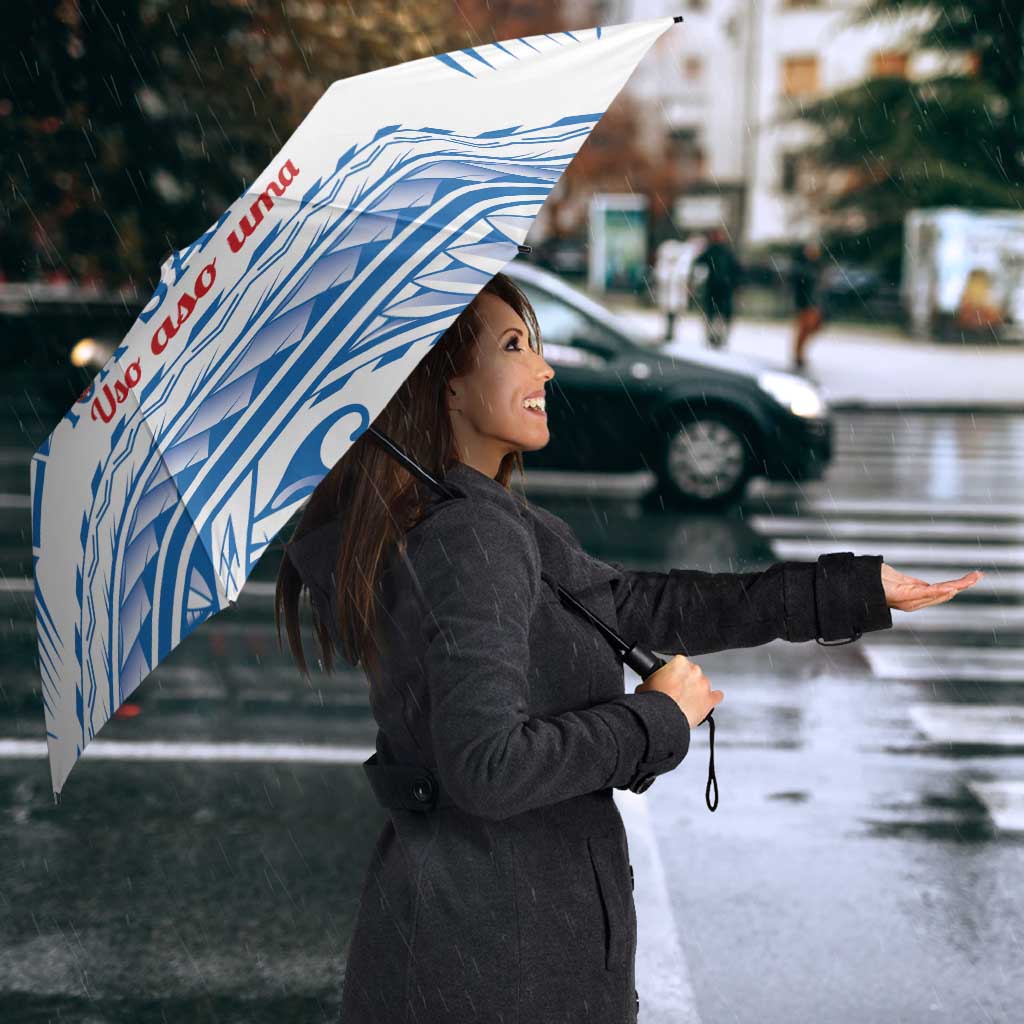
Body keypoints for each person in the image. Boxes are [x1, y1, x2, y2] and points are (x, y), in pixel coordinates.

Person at [275, 271, 979, 1024]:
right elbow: (487, 767)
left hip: (478, 943)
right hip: (498, 963)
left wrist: (849, 591)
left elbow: (640, 605)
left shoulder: (476, 517)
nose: (544, 368)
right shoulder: (469, 536)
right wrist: (655, 719)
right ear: (445, 385)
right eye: (514, 346)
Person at [692, 226, 742, 349]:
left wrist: (735, 284)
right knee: (713, 314)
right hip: (715, 288)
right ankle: (713, 337)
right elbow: (698, 264)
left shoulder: (725, 252)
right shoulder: (712, 251)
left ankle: (719, 337)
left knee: (720, 315)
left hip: (723, 288)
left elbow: (736, 270)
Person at [790, 239, 826, 370]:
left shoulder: (817, 266)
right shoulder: (802, 267)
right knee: (804, 329)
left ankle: (799, 354)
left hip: (814, 303)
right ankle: (798, 355)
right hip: (805, 303)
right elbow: (799, 286)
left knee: (812, 328)